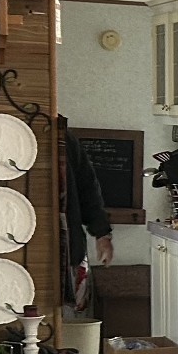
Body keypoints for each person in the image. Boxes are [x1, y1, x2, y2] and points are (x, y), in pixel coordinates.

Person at [58, 119, 113, 307]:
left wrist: (102, 234)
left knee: (58, 311)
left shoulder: (63, 139)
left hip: (64, 244)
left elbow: (87, 188)